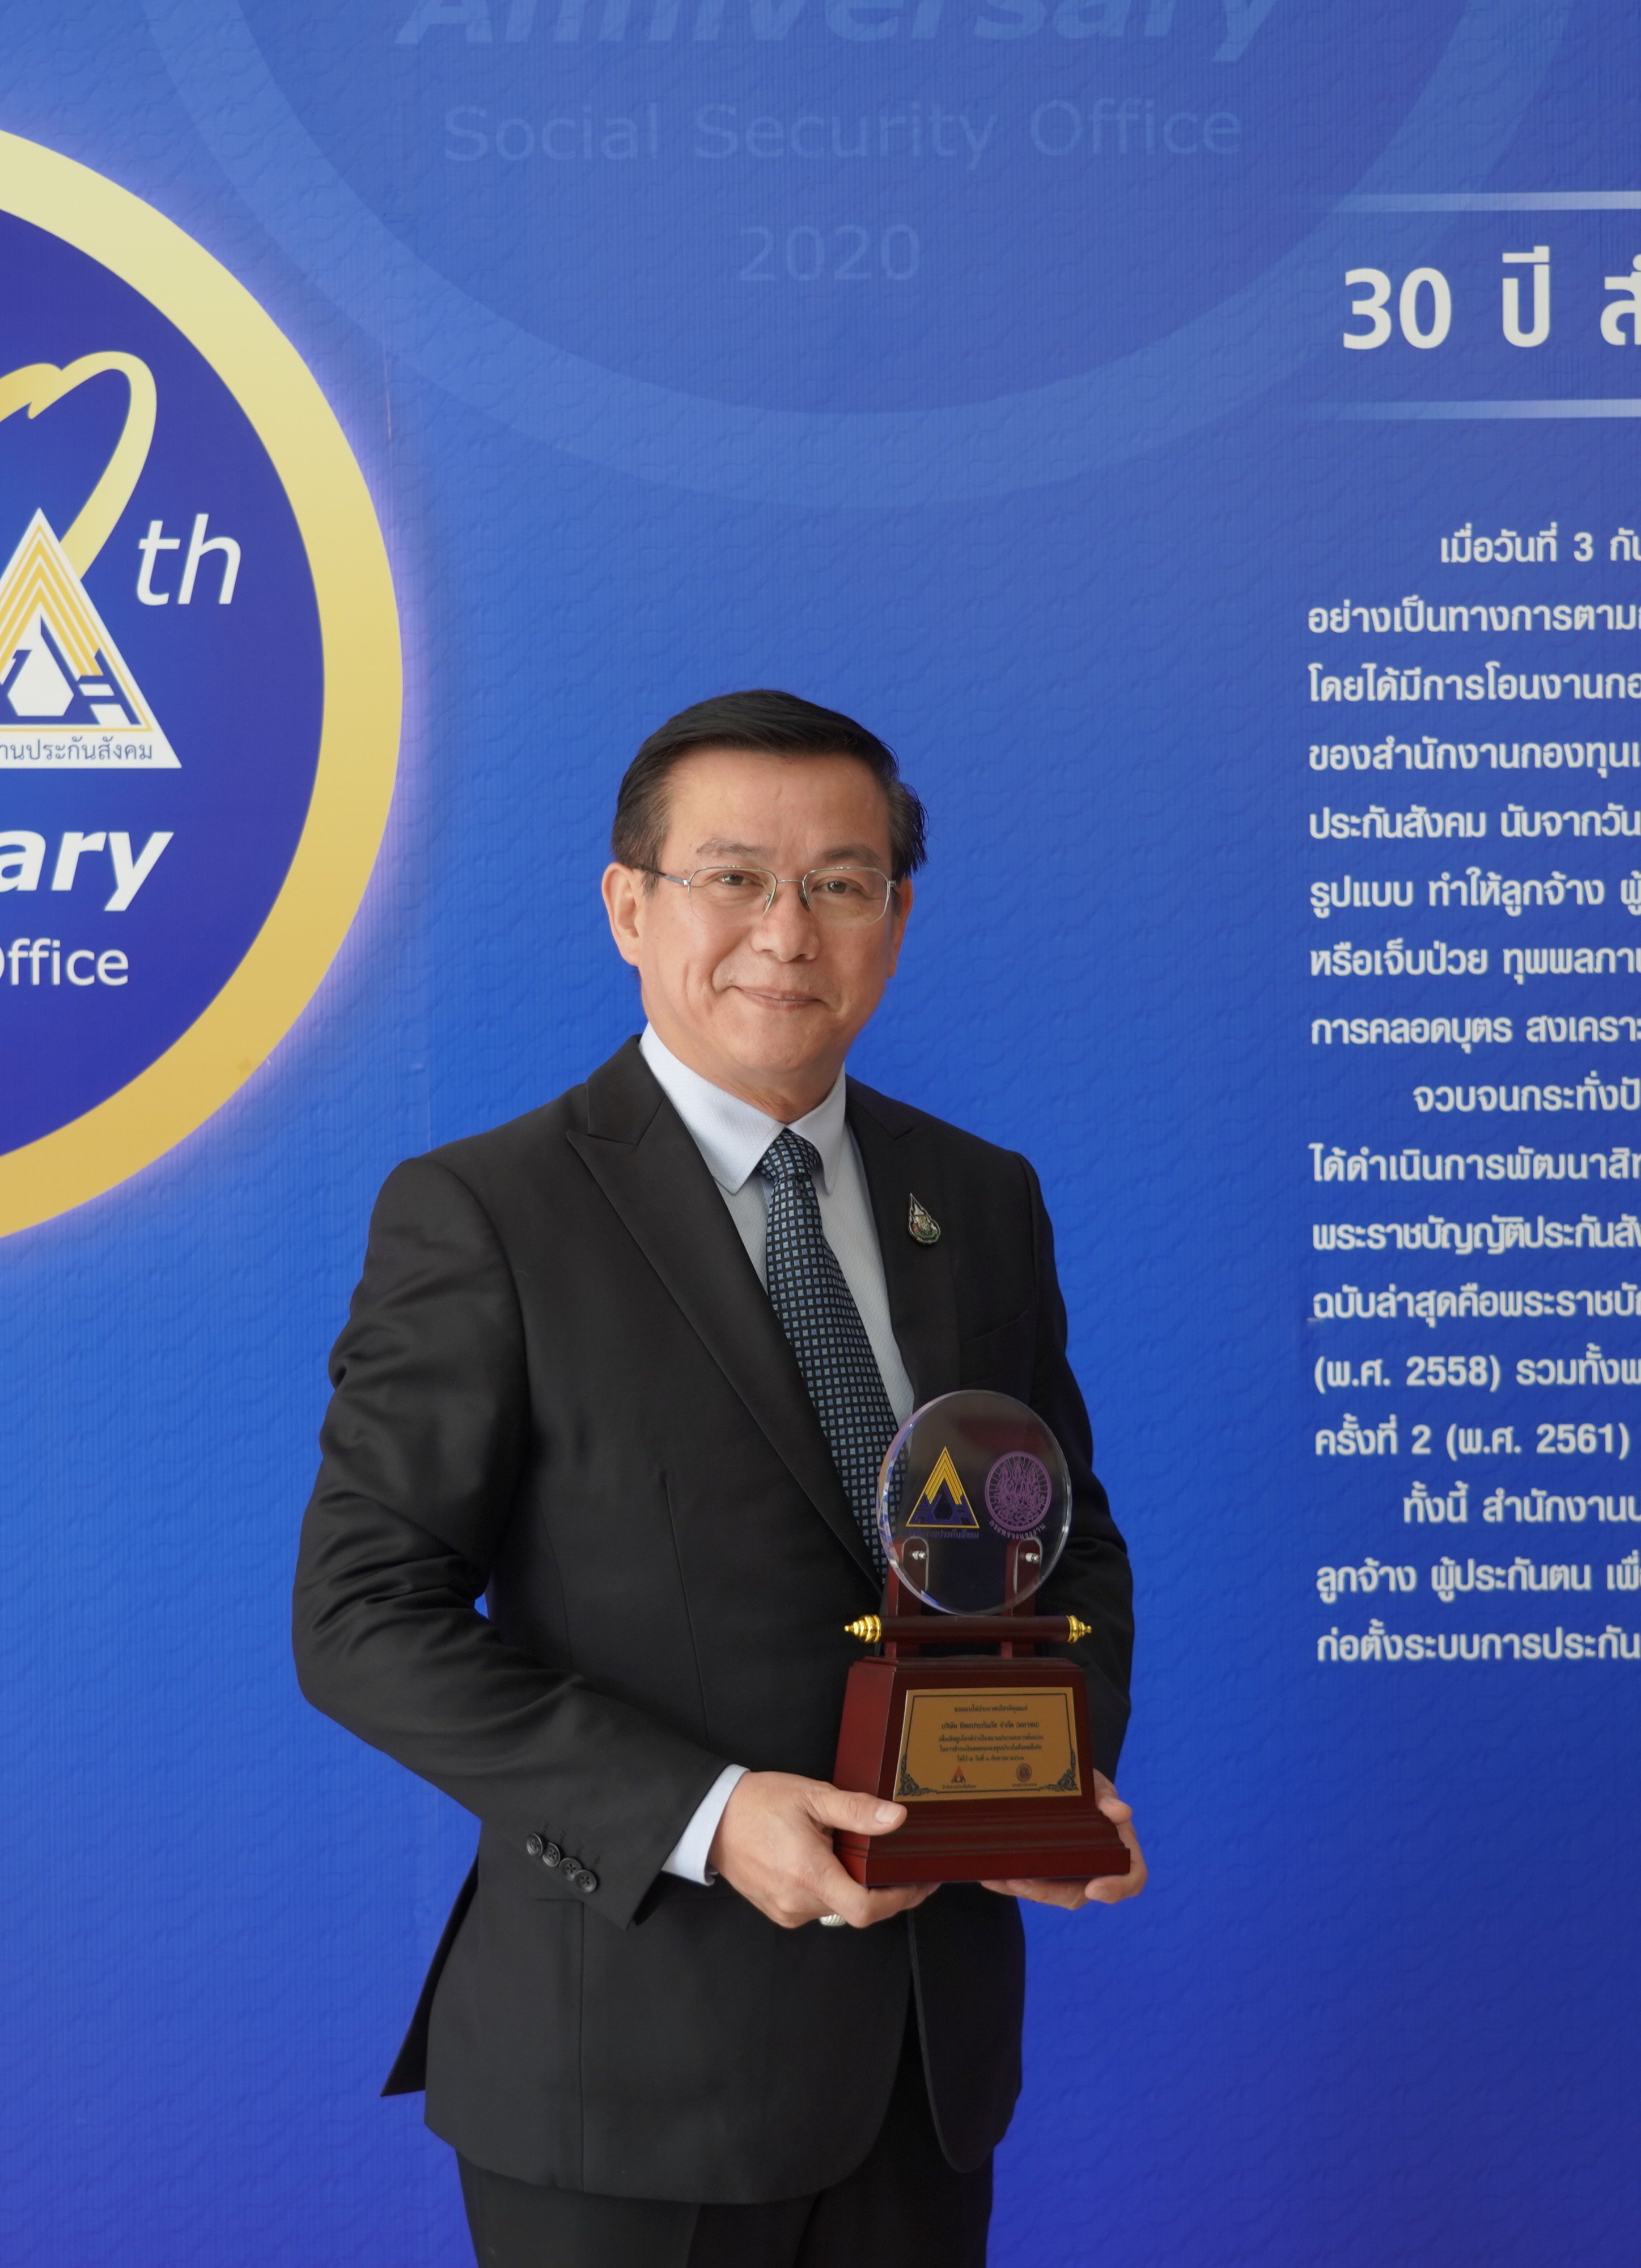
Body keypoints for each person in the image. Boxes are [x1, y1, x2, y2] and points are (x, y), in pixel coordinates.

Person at [292, 689, 1144, 2267]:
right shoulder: (486, 1214)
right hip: (626, 2080)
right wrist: (709, 1814)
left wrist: (1051, 1770)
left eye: (841, 882)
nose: (788, 932)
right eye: (733, 877)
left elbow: (1063, 1540)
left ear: (897, 918)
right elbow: (361, 1619)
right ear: (630, 907)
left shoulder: (981, 1198)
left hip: (924, 2068)